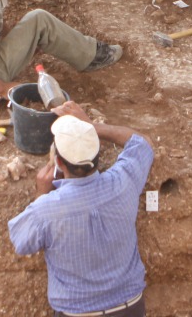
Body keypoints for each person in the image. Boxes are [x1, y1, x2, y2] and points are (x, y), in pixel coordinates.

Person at [9, 101, 154, 317]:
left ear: (58, 162)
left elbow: (21, 242)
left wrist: (41, 193)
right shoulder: (124, 182)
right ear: (97, 154)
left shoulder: (46, 210)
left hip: (77, 313)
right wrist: (91, 127)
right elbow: (143, 143)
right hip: (130, 308)